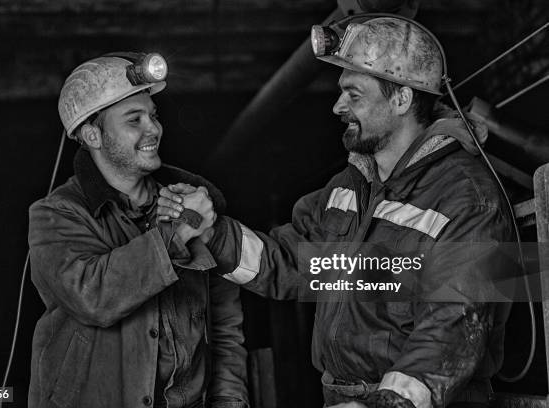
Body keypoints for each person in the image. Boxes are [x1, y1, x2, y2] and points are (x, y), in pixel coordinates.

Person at [158, 17, 514, 408]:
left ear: (401, 100)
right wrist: (212, 233)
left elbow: (453, 327)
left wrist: (384, 402)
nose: (337, 106)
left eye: (354, 94)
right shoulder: (348, 187)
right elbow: (291, 263)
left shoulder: (467, 197)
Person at [27, 52, 248, 408]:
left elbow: (224, 326)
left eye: (153, 116)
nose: (154, 129)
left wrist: (230, 402)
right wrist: (175, 233)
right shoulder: (56, 215)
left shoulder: (192, 199)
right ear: (93, 135)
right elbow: (93, 296)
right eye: (135, 119)